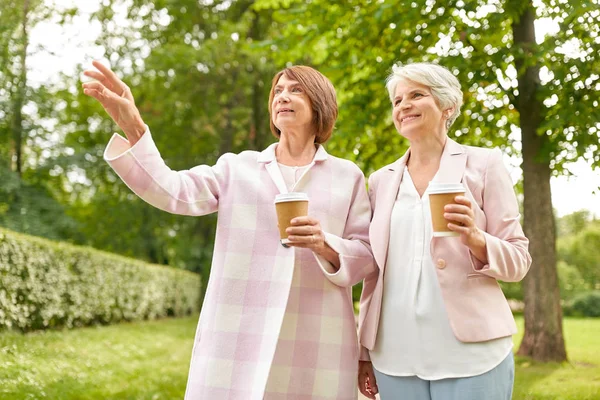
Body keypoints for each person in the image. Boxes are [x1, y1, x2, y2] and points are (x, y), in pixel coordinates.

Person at [82, 60, 375, 400]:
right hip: (238, 334)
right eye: (278, 91)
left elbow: (366, 255)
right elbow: (173, 191)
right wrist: (135, 129)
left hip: (315, 335)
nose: (282, 96)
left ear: (320, 105)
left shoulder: (347, 176)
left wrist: (325, 244)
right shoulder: (237, 167)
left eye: (296, 90)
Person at [356, 62, 532, 400]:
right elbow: (374, 274)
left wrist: (477, 239)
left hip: (471, 355)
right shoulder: (380, 181)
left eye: (416, 95)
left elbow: (519, 260)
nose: (403, 105)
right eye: (397, 100)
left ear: (446, 106)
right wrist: (365, 350)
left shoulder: (484, 165)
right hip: (395, 356)